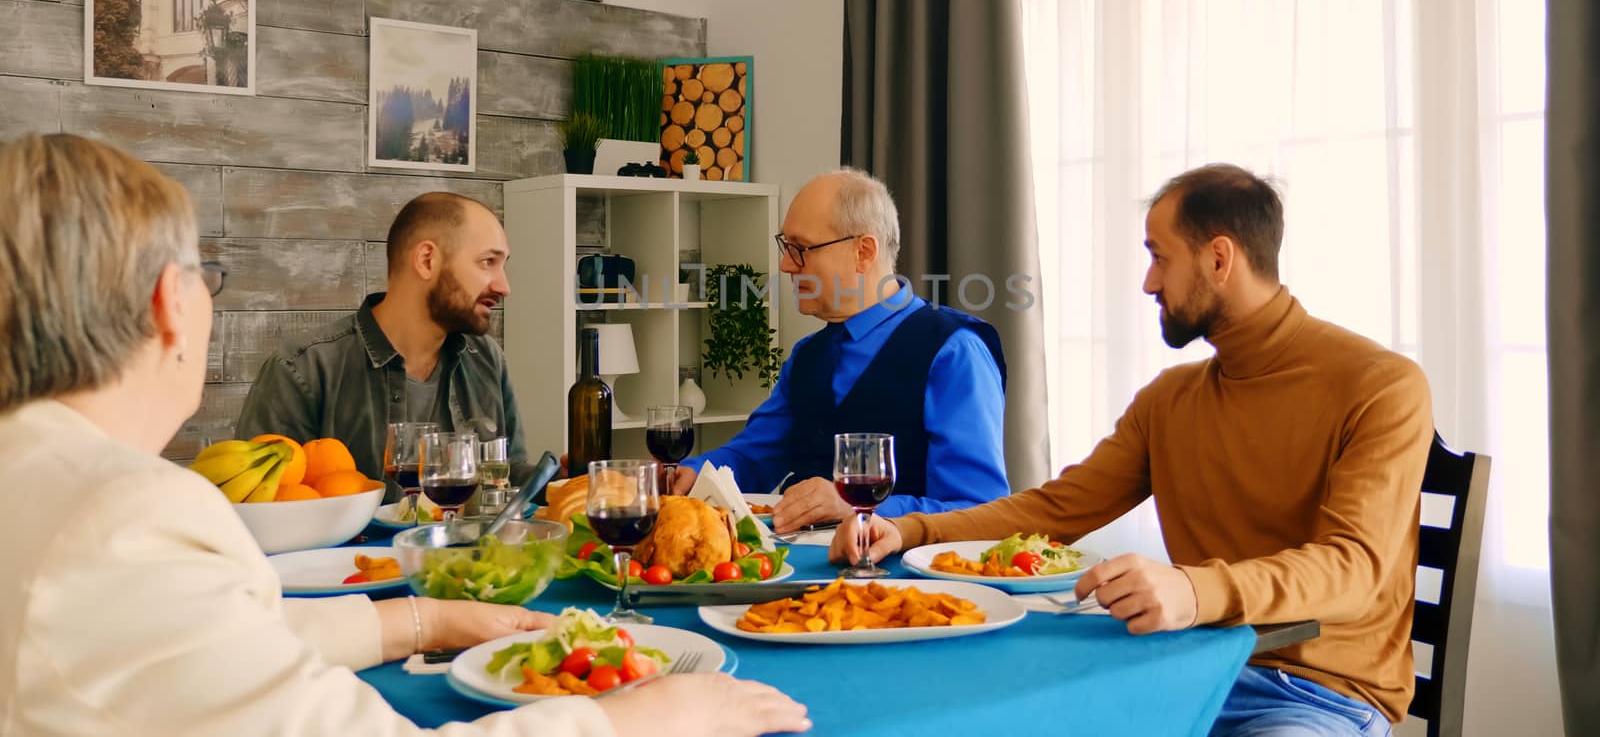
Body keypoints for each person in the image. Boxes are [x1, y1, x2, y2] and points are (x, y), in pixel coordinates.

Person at [0, 133, 810, 737]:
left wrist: (421, 622)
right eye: (205, 277)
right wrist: (641, 719)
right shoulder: (128, 516)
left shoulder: (43, 481)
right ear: (167, 305)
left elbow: (201, 637)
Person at [831, 163, 1432, 736]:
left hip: (1312, 693)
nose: (1148, 283)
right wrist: (908, 529)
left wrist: (1194, 591)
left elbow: (1355, 568)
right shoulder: (1171, 398)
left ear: (1219, 258)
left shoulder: (1380, 385)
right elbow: (1055, 509)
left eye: (1159, 258)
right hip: (1179, 671)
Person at [673, 168, 1011, 532]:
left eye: (800, 249)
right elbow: (751, 457)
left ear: (863, 252)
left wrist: (856, 506)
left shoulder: (955, 353)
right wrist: (691, 474)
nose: (786, 265)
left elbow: (979, 510)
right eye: (785, 247)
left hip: (903, 583)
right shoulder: (807, 356)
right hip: (793, 575)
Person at [237, 192, 526, 482]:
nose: (504, 286)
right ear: (427, 260)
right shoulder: (303, 370)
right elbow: (262, 506)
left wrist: (561, 478)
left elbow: (509, 480)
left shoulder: (487, 358)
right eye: (488, 262)